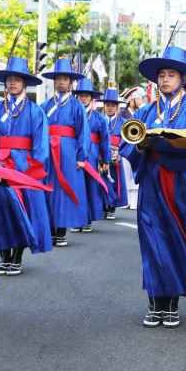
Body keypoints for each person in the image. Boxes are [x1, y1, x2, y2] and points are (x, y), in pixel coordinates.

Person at [120, 44, 186, 329]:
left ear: (182, 79)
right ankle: (155, 303)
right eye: (161, 75)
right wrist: (140, 146)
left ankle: (172, 303)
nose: (165, 79)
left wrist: (164, 142)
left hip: (183, 184)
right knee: (153, 239)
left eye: (171, 75)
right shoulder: (147, 110)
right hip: (152, 182)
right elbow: (129, 143)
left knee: (180, 240)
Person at [0, 56, 50, 276]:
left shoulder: (35, 111)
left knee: (22, 211)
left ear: (25, 83)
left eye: (17, 79)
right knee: (1, 209)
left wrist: (33, 168)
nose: (12, 83)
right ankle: (4, 257)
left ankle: (17, 257)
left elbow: (41, 144)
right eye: (9, 79)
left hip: (24, 167)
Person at [40, 58, 91, 248]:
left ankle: (61, 230)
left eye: (65, 79)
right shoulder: (45, 105)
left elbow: (83, 132)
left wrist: (81, 157)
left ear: (71, 83)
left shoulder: (77, 106)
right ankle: (50, 228)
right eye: (58, 79)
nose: (61, 82)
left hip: (68, 152)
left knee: (65, 188)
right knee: (48, 187)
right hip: (47, 150)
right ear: (54, 81)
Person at [74, 77, 109, 233]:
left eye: (86, 96)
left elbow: (105, 140)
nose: (83, 98)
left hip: (93, 155)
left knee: (90, 187)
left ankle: (87, 219)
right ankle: (76, 219)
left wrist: (105, 159)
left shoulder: (99, 118)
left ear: (91, 98)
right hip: (75, 152)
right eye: (81, 95)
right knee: (76, 186)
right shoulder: (73, 114)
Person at [101, 87, 129, 218]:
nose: (110, 108)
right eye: (107, 105)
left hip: (116, 155)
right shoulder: (99, 119)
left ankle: (112, 207)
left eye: (113, 105)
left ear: (117, 107)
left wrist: (119, 152)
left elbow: (126, 139)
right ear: (104, 106)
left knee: (114, 181)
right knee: (101, 180)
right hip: (101, 154)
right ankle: (103, 205)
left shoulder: (123, 122)